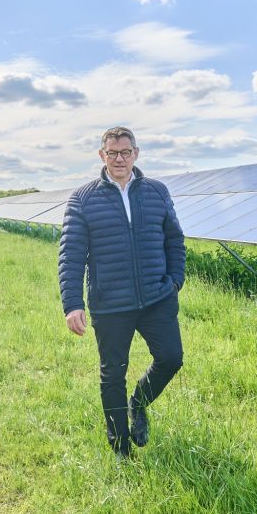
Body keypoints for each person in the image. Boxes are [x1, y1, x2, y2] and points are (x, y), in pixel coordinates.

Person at [58, 126, 186, 458]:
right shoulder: (84, 198)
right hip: (111, 303)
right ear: (102, 156)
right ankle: (120, 448)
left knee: (171, 358)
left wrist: (174, 281)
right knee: (112, 373)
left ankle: (139, 403)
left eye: (125, 152)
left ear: (136, 154)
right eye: (112, 153)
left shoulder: (157, 191)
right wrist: (72, 303)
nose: (119, 159)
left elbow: (174, 238)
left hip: (157, 297)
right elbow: (71, 253)